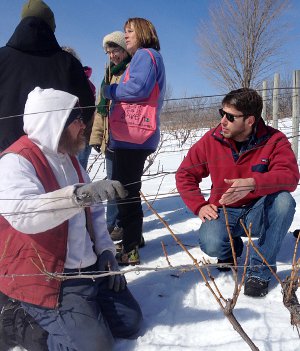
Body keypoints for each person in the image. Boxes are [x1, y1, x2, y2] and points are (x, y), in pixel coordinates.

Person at [0, 87, 142, 351]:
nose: (83, 124)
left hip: (88, 267)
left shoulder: (70, 159)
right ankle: (16, 321)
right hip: (48, 275)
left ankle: (81, 313)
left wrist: (106, 251)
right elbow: (24, 215)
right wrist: (76, 197)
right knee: (95, 347)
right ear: (53, 122)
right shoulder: (16, 162)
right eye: (74, 118)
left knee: (130, 323)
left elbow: (96, 213)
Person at [176, 88, 299, 297]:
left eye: (230, 117)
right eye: (221, 113)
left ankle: (260, 271)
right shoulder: (212, 139)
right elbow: (185, 175)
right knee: (212, 243)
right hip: (223, 210)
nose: (223, 121)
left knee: (284, 201)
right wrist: (199, 205)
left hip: (259, 211)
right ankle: (230, 249)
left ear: (250, 120)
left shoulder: (273, 140)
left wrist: (253, 183)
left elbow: (290, 176)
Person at [102, 18, 166, 265]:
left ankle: (129, 249)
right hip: (135, 137)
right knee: (129, 189)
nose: (126, 36)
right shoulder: (149, 57)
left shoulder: (145, 55)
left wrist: (110, 91)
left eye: (129, 31)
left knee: (124, 191)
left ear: (142, 33)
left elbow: (138, 89)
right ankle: (133, 237)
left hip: (133, 137)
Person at [0, 0, 95, 152]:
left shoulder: (2, 58)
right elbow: (87, 106)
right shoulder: (68, 63)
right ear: (51, 26)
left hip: (4, 151)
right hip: (53, 156)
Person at [90, 31, 131, 242]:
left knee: (128, 183)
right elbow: (100, 109)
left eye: (114, 50)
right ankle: (112, 223)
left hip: (129, 139)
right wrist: (96, 136)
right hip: (110, 139)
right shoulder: (108, 74)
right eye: (108, 52)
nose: (111, 55)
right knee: (113, 181)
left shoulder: (133, 71)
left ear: (124, 48)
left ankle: (125, 225)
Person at [61, 45, 97, 170]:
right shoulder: (58, 81)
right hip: (63, 135)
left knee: (79, 172)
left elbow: (90, 112)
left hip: (82, 135)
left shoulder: (86, 84)